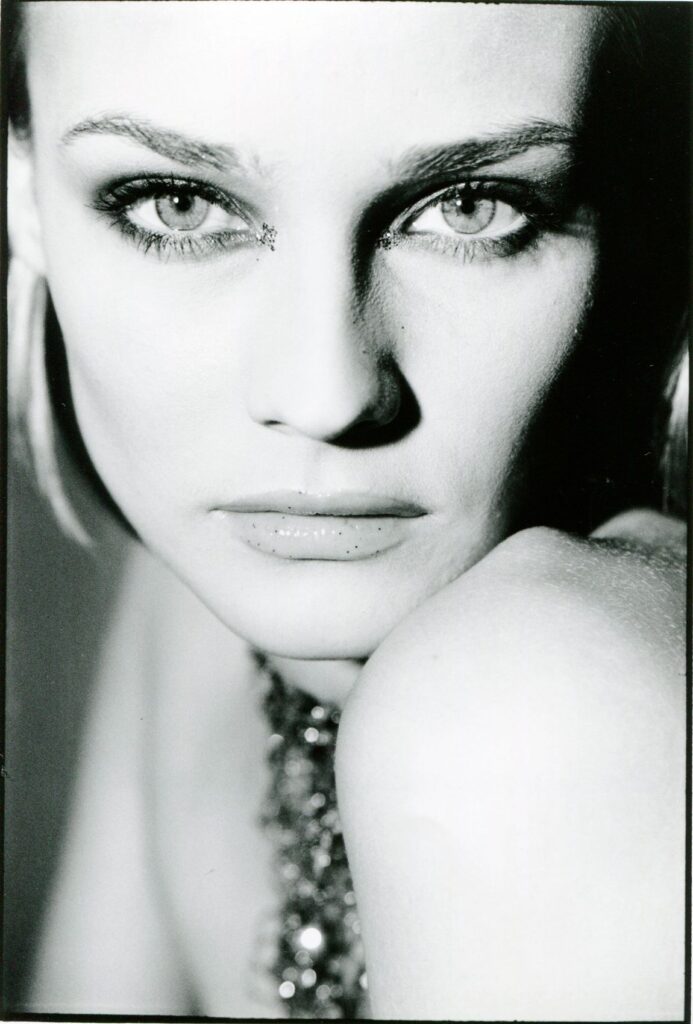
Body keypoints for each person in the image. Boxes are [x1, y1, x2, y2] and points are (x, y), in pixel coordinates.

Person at [6, 1, 688, 1018]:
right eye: (178, 205)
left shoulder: (547, 704)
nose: (323, 396)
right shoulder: (200, 594)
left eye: (470, 207)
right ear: (21, 197)